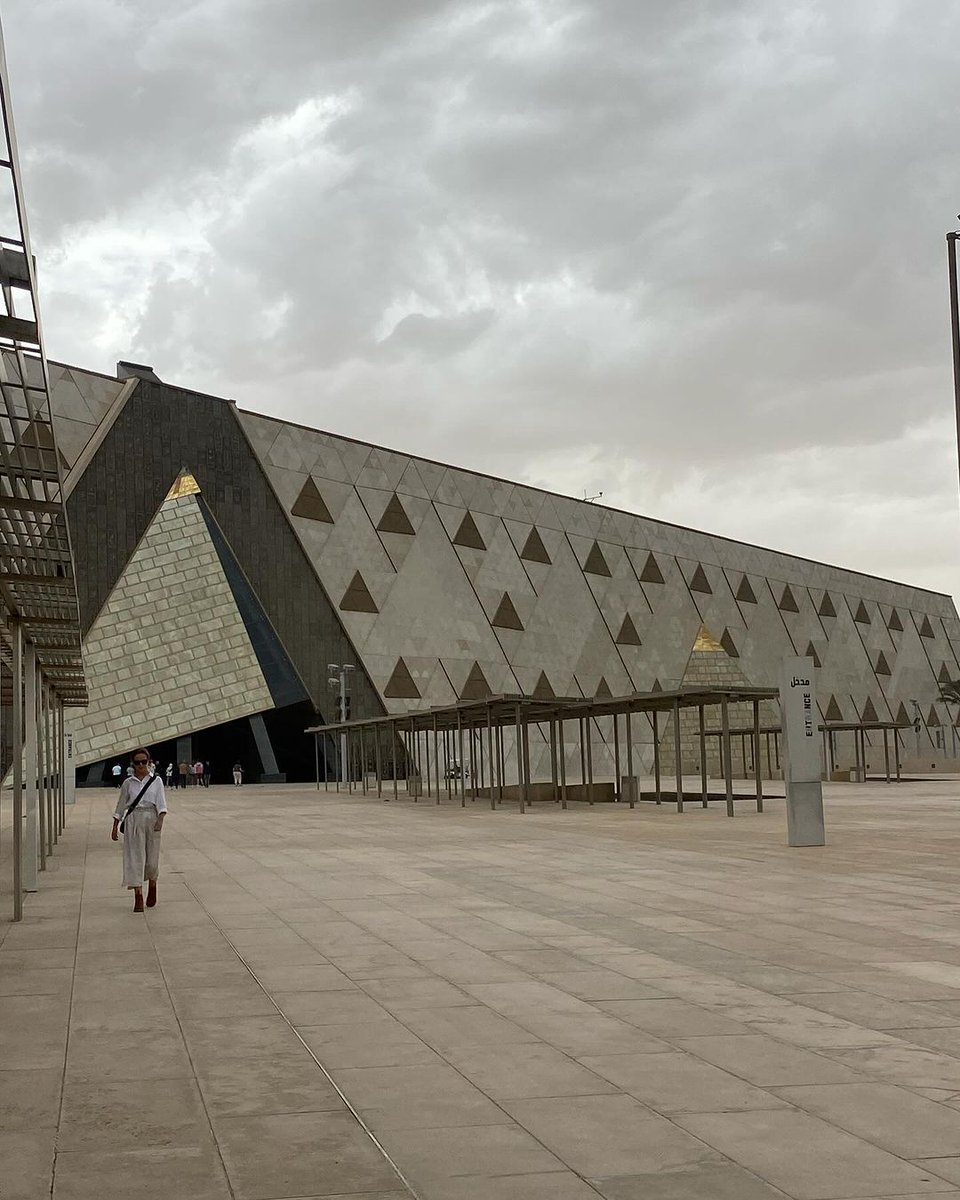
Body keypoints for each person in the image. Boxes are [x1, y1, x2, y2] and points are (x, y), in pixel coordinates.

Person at [111, 747, 167, 912]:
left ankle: (152, 883)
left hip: (152, 818)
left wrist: (160, 820)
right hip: (134, 819)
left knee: (152, 858)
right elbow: (121, 805)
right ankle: (138, 895)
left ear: (149, 762)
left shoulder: (156, 781)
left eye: (144, 761)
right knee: (134, 857)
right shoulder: (128, 783)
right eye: (138, 762)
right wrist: (115, 826)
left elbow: (161, 802)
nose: (141, 765)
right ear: (133, 764)